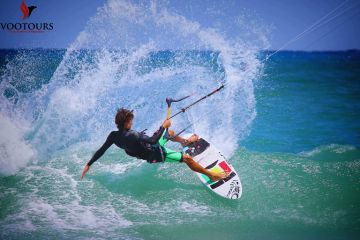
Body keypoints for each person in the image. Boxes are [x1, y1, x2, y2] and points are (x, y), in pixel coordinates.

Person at [81, 108, 228, 181]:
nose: (132, 122)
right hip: (155, 153)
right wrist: (164, 125)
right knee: (187, 159)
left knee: (169, 134)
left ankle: (186, 141)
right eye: (130, 120)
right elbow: (153, 141)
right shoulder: (133, 134)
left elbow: (101, 150)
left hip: (149, 148)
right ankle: (212, 175)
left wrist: (89, 163)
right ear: (126, 122)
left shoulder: (113, 136)